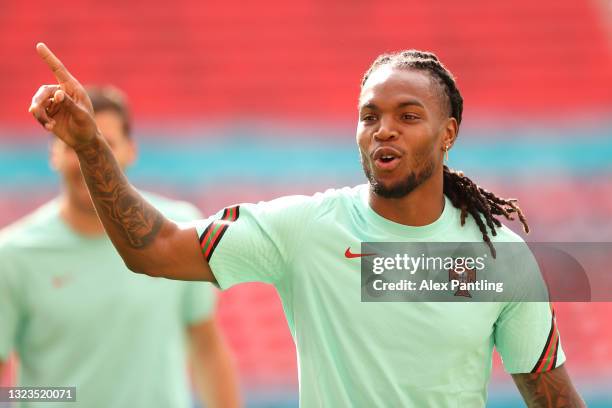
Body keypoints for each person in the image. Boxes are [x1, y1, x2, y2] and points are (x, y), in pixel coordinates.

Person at [28, 43, 585, 407]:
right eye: (370, 116)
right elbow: (154, 248)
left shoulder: (499, 260)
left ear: (448, 134)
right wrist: (90, 145)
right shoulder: (306, 229)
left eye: (408, 116)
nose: (383, 130)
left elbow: (551, 397)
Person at [1, 85, 241, 408]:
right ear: (54, 155)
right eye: (74, 145)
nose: (89, 156)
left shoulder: (180, 229)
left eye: (105, 144)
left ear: (131, 150)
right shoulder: (13, 255)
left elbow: (206, 348)